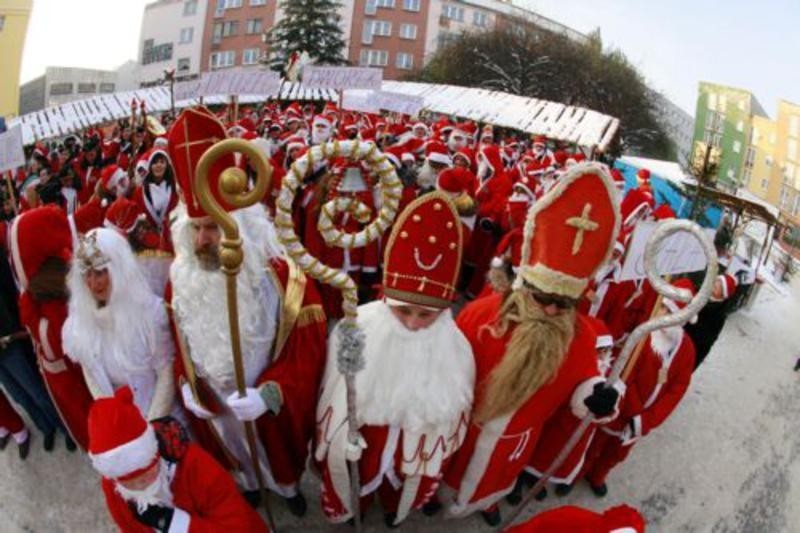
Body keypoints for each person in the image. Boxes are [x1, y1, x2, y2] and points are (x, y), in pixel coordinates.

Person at [166, 107, 327, 515]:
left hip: (264, 398)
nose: (203, 240)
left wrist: (270, 393)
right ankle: (249, 481)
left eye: (213, 227)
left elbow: (306, 348)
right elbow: (179, 342)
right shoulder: (181, 276)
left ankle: (287, 487)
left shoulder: (278, 275)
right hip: (216, 402)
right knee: (234, 446)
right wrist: (187, 385)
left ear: (237, 223)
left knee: (274, 449)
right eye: (196, 228)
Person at [442, 164, 624, 526]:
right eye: (543, 298)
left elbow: (585, 382)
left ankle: (488, 502)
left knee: (498, 477)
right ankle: (438, 493)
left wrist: (598, 396)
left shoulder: (581, 335)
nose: (554, 309)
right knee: (451, 465)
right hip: (465, 425)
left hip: (518, 439)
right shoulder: (481, 314)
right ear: (525, 287)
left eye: (564, 303)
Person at [315, 193, 476, 527]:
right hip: (365, 438)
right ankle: (350, 506)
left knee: (402, 484)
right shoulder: (354, 326)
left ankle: (395, 509)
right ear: (386, 299)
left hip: (413, 444)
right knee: (357, 475)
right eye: (404, 310)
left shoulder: (457, 347)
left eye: (426, 314)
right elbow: (332, 390)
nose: (413, 324)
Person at [88, 387, 268, 532]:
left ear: (155, 456)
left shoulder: (197, 466)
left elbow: (238, 527)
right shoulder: (112, 486)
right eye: (131, 483)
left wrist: (175, 524)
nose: (141, 484)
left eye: (146, 473)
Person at [582, 279, 697, 496]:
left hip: (641, 420)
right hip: (621, 407)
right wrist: (634, 412)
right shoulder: (642, 333)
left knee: (617, 453)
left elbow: (677, 389)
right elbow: (626, 372)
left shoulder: (686, 350)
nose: (662, 314)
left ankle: (597, 475)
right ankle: (579, 471)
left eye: (668, 311)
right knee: (595, 442)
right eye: (662, 306)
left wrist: (646, 420)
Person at [62, 228, 176, 420]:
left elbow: (166, 374)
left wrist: (152, 425)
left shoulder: (150, 313)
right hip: (123, 423)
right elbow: (90, 374)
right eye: (86, 274)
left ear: (118, 271)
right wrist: (113, 415)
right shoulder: (78, 323)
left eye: (99, 272)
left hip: (162, 419)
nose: (92, 283)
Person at [9, 205, 93, 450]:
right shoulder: (52, 281)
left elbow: (53, 343)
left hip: (73, 378)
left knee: (83, 414)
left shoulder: (49, 298)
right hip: (68, 374)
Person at [685, 273, 737, 369]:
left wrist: (692, 321)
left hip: (691, 348)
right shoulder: (699, 292)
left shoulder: (718, 315)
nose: (715, 285)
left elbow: (707, 338)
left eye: (720, 286)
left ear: (722, 295)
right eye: (717, 282)